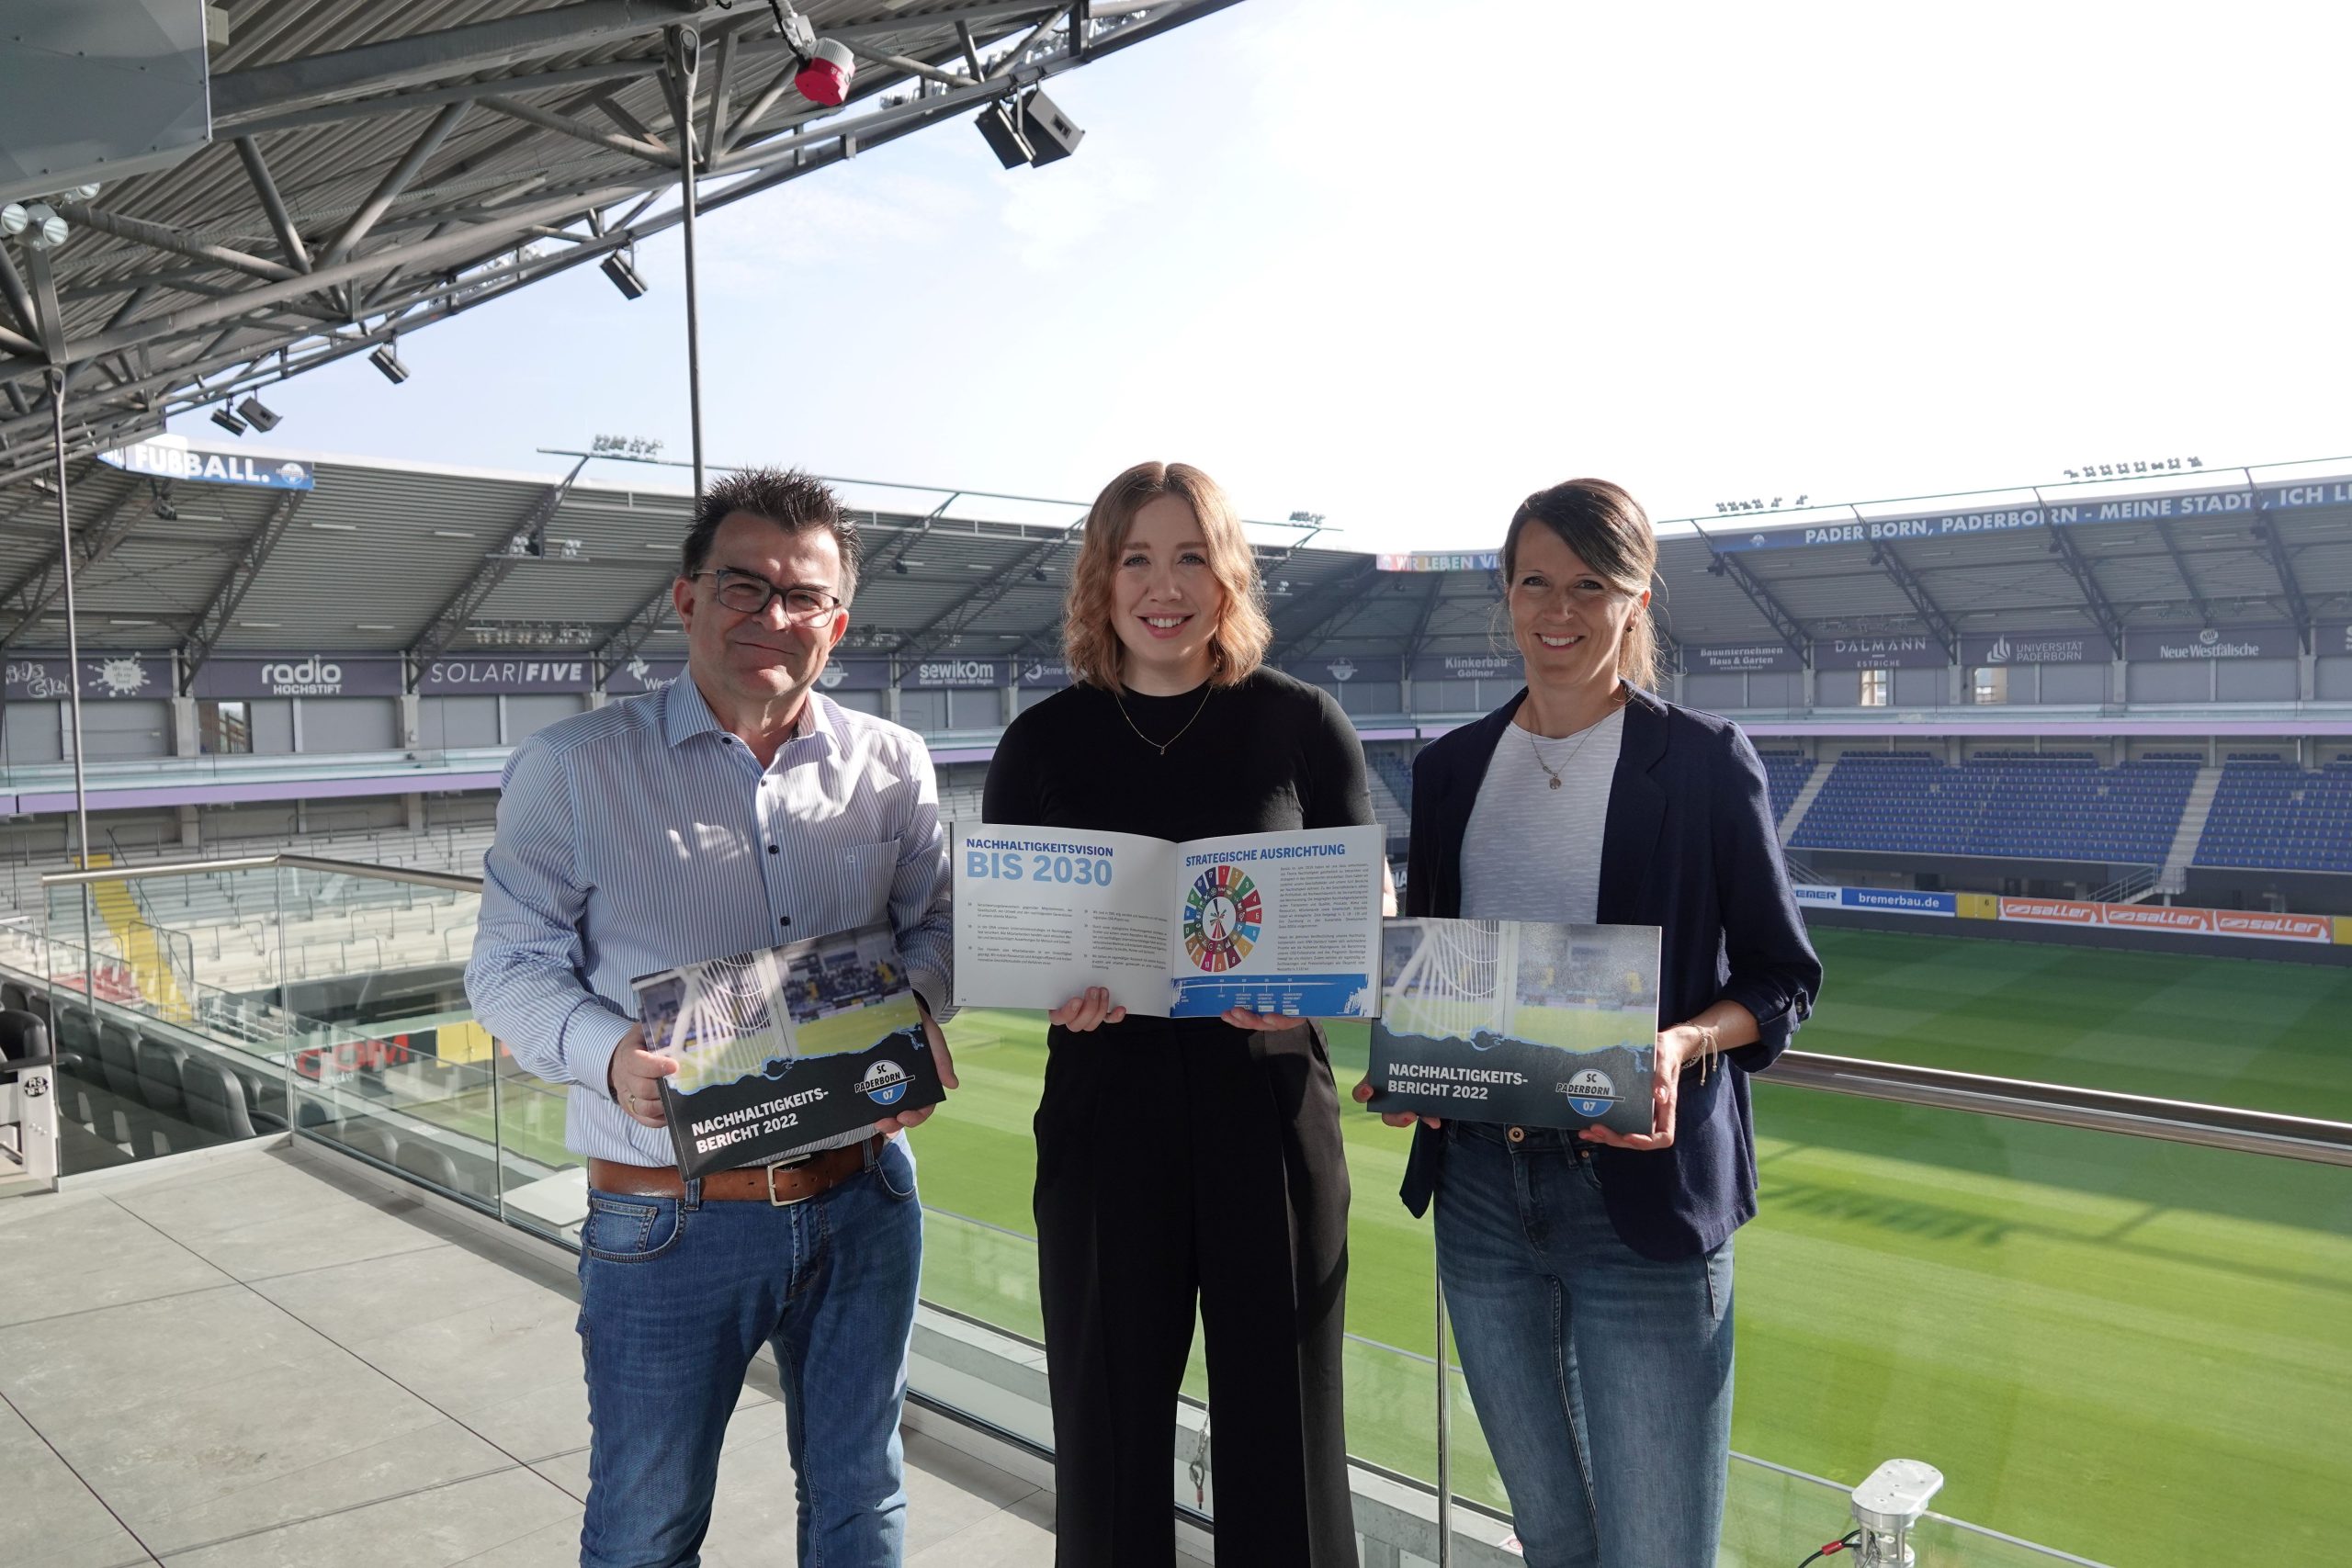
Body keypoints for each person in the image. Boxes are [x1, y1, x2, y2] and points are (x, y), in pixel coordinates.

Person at [466, 466, 957, 1568]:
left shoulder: (893, 764)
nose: (772, 616)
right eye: (744, 586)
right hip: (668, 1216)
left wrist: (916, 1009)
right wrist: (609, 1056)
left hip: (865, 1196)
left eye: (804, 596)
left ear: (838, 621)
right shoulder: (574, 769)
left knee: (863, 1497)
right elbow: (507, 966)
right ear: (686, 597)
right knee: (646, 1526)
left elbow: (933, 927)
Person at [1356, 479, 1822, 1567]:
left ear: (1635, 600)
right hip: (1480, 1194)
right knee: (1553, 1539)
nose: (1556, 611)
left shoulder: (1702, 761)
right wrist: (1414, 1066)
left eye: (1588, 586)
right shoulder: (1449, 771)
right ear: (1506, 596)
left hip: (1641, 1203)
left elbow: (1781, 978)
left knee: (1657, 1550)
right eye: (1534, 583)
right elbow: (1441, 970)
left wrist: (1682, 1042)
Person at [982, 460, 1371, 1568]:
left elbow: (1362, 910)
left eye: (1191, 556)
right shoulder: (1040, 741)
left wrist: (1305, 965)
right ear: (1099, 581)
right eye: (1136, 559)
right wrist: (1055, 987)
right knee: (1106, 1441)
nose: (1165, 586)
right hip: (1106, 1115)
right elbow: (1007, 933)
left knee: (1286, 1439)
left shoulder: (1301, 722)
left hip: (1269, 1108)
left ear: (1228, 573)